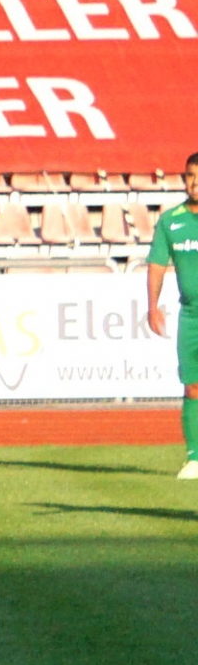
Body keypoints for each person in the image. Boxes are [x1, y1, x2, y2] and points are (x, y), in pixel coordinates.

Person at [146, 153, 198, 479]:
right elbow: (156, 265)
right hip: (191, 316)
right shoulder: (170, 221)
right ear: (184, 179)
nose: (196, 182)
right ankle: (195, 458)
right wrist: (153, 306)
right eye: (191, 176)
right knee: (192, 386)